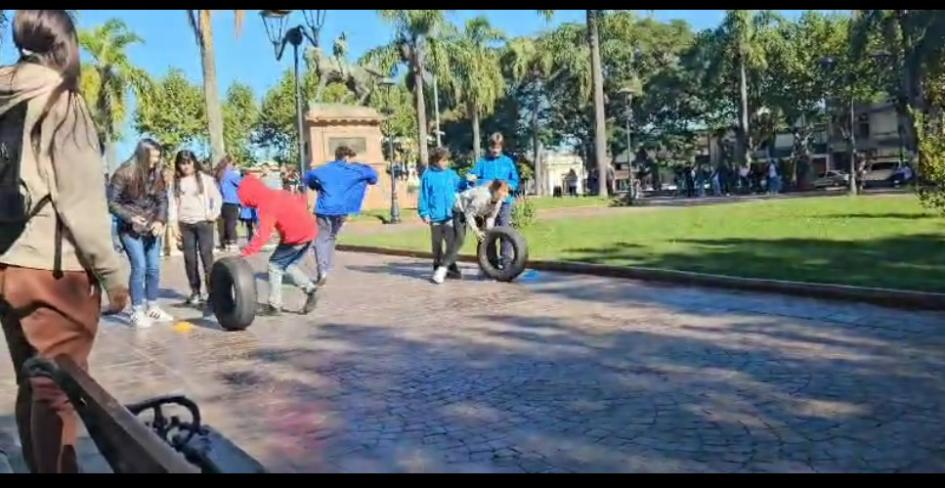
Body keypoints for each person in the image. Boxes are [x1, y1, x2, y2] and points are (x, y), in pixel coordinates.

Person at [0, 10, 129, 473]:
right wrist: (114, 277)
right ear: (64, 43)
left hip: (6, 262)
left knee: (31, 382)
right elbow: (82, 203)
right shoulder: (61, 101)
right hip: (51, 268)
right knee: (58, 390)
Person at [108, 139, 173, 328]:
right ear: (142, 155)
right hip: (131, 228)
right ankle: (136, 311)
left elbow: (162, 200)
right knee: (140, 267)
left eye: (158, 156)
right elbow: (112, 203)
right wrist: (130, 218)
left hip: (152, 225)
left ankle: (152, 306)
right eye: (153, 157)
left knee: (153, 268)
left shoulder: (158, 172)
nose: (156, 160)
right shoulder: (124, 172)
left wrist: (161, 221)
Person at [238, 175, 319, 316]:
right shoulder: (281, 193)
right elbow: (301, 202)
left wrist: (246, 251)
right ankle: (311, 289)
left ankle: (275, 306)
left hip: (295, 237)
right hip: (309, 232)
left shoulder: (266, 205)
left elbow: (263, 234)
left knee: (274, 266)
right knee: (288, 266)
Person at [304, 145, 378, 285]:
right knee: (332, 237)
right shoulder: (355, 170)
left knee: (321, 239)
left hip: (324, 208)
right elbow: (373, 177)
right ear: (346, 157)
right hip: (342, 209)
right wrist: (361, 166)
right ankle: (326, 267)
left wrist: (315, 185)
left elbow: (307, 176)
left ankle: (323, 270)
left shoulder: (325, 169)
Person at [168, 150, 222, 306]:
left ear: (194, 162)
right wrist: (173, 225)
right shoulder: (175, 183)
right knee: (190, 260)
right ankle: (195, 291)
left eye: (188, 162)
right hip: (185, 224)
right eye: (182, 163)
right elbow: (172, 204)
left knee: (207, 258)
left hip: (204, 223)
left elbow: (217, 198)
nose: (185, 166)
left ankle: (212, 292)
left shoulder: (205, 180)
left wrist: (213, 213)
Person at [467, 132, 520, 269]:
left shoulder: (507, 162)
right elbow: (472, 177)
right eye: (493, 147)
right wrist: (471, 178)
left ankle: (507, 261)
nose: (495, 150)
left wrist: (508, 186)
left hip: (504, 202)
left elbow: (514, 180)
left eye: (498, 147)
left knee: (504, 230)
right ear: (489, 147)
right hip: (486, 203)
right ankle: (491, 262)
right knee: (488, 232)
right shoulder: (483, 162)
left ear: (502, 146)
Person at [418, 148, 466, 284]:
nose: (446, 163)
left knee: (452, 242)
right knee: (437, 243)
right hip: (435, 216)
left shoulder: (451, 174)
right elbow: (423, 196)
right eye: (443, 160)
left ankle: (451, 265)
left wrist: (468, 181)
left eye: (447, 160)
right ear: (435, 161)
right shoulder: (427, 176)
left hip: (450, 215)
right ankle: (437, 264)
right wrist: (424, 213)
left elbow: (460, 185)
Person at [214, 155, 242, 253]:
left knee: (226, 223)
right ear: (229, 163)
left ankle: (225, 243)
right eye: (232, 164)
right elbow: (242, 183)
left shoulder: (220, 174)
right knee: (232, 223)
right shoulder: (231, 174)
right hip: (232, 201)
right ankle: (232, 243)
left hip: (222, 202)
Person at [161, 165, 182, 258]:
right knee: (170, 228)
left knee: (171, 228)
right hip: (169, 210)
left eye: (167, 175)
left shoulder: (172, 185)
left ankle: (168, 248)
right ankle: (170, 248)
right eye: (164, 175)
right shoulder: (166, 186)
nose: (165, 177)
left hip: (170, 210)